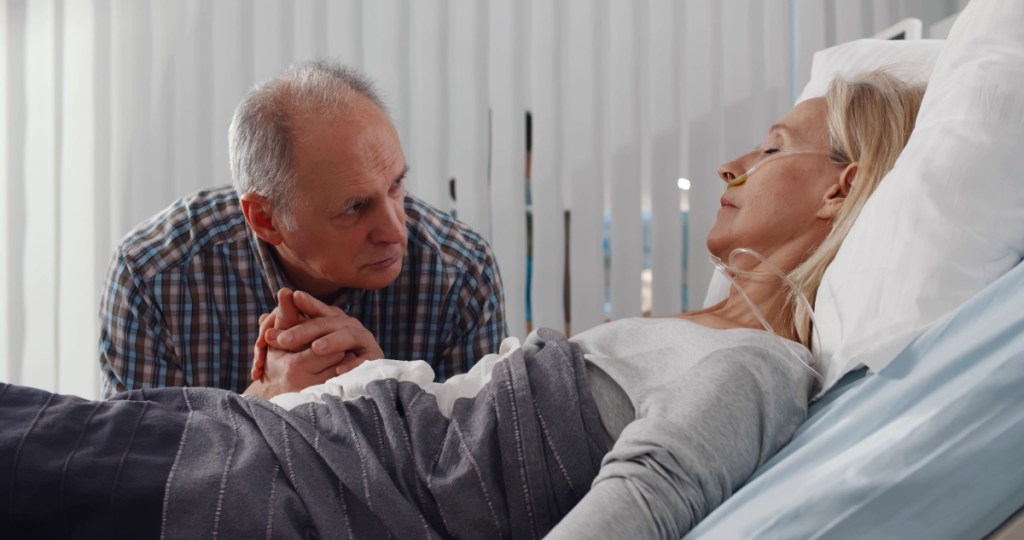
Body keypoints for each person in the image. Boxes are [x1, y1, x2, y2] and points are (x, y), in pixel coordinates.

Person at [3, 70, 923, 539]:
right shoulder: (698, 335)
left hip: (270, 485)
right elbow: (466, 443)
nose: (732, 165)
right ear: (267, 220)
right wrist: (352, 381)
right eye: (357, 207)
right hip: (266, 445)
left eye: (770, 148)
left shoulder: (760, 365)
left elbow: (646, 494)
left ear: (839, 190)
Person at [97, 60, 508, 398]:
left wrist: (388, 392)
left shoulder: (461, 272)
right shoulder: (154, 277)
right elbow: (135, 485)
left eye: (396, 185)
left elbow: (483, 481)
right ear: (265, 218)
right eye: (354, 208)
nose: (395, 232)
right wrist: (264, 401)